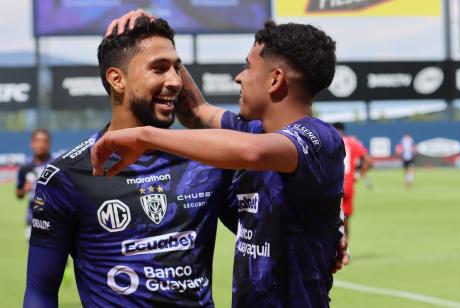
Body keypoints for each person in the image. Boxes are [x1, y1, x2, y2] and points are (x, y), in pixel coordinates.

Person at [94, 12, 347, 308]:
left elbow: (255, 152)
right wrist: (162, 42)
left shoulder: (319, 138)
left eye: (248, 67)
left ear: (275, 80)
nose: (239, 77)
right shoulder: (252, 130)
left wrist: (144, 137)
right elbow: (195, 110)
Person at [24, 17, 238, 307]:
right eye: (159, 68)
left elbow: (264, 238)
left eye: (177, 68)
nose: (175, 81)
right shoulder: (66, 176)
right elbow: (40, 293)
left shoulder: (204, 162)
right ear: (117, 79)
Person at [332, 122, 372, 240]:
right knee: (346, 217)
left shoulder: (329, 142)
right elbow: (369, 161)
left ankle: (336, 246)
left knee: (331, 217)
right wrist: (358, 176)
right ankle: (346, 246)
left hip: (333, 184)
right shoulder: (353, 143)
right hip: (348, 184)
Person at [16, 129, 52, 240]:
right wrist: (24, 189)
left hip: (54, 218)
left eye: (44, 141)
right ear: (31, 143)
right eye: (37, 141)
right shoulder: (26, 167)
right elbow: (19, 194)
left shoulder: (56, 164)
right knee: (36, 255)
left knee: (58, 256)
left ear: (49, 143)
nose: (40, 144)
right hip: (33, 218)